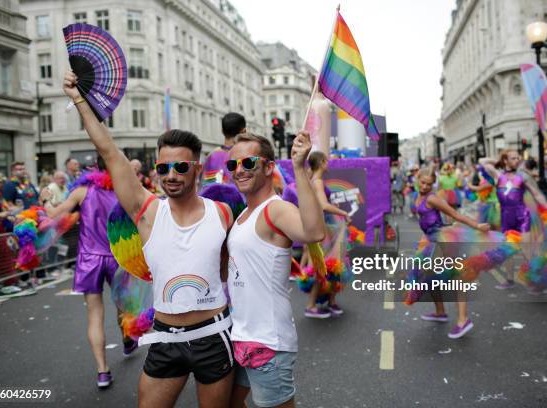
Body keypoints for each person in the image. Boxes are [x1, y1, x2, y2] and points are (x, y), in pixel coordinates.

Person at [64, 70, 234, 408]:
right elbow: (110, 152)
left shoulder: (222, 213)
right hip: (165, 339)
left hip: (213, 336)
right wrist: (80, 100)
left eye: (181, 168)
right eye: (164, 168)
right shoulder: (147, 210)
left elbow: (227, 269)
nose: (171, 176)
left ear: (197, 169)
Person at [227, 132, 325, 408]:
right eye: (233, 165)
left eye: (248, 163)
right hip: (241, 336)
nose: (239, 170)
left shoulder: (276, 210)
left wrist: (298, 167)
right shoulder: (244, 215)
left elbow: (314, 231)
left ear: (269, 167)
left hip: (267, 342)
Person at [40, 158, 134, 388]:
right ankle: (127, 334)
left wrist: (45, 200)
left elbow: (53, 215)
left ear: (94, 167)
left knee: (94, 314)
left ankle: (103, 371)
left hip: (89, 259)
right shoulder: (126, 190)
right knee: (124, 305)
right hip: (117, 257)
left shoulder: (82, 191)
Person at [409, 167, 490, 339]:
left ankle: (463, 320)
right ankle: (440, 312)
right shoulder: (418, 195)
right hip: (430, 240)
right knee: (429, 276)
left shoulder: (432, 198)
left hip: (443, 240)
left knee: (457, 277)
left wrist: (477, 226)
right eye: (422, 183)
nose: (425, 187)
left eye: (429, 185)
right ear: (417, 179)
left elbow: (455, 214)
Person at [480, 150, 547, 290]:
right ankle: (509, 280)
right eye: (513, 158)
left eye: (518, 158)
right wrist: (499, 160)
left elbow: (537, 195)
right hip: (506, 218)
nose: (517, 160)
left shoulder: (523, 177)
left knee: (527, 251)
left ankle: (536, 281)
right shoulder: (498, 175)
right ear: (505, 161)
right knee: (508, 250)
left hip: (522, 217)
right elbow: (482, 161)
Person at [303, 151, 351, 318]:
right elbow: (323, 205)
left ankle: (331, 302)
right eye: (327, 161)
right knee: (323, 267)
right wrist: (343, 212)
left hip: (328, 228)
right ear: (322, 162)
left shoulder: (315, 181)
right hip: (324, 229)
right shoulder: (317, 182)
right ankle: (311, 305)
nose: (328, 164)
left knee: (333, 266)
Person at [203, 112, 246, 186]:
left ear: (222, 131)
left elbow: (209, 186)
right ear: (244, 131)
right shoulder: (248, 155)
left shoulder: (212, 156)